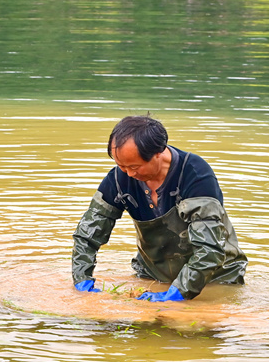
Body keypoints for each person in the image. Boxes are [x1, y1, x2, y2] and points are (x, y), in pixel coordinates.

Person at [71, 115, 247, 301]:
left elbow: (209, 250)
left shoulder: (195, 175)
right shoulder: (118, 178)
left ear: (158, 152)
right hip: (153, 274)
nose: (129, 174)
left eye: (135, 166)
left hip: (216, 277)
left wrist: (177, 294)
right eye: (121, 166)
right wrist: (81, 278)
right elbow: (87, 235)